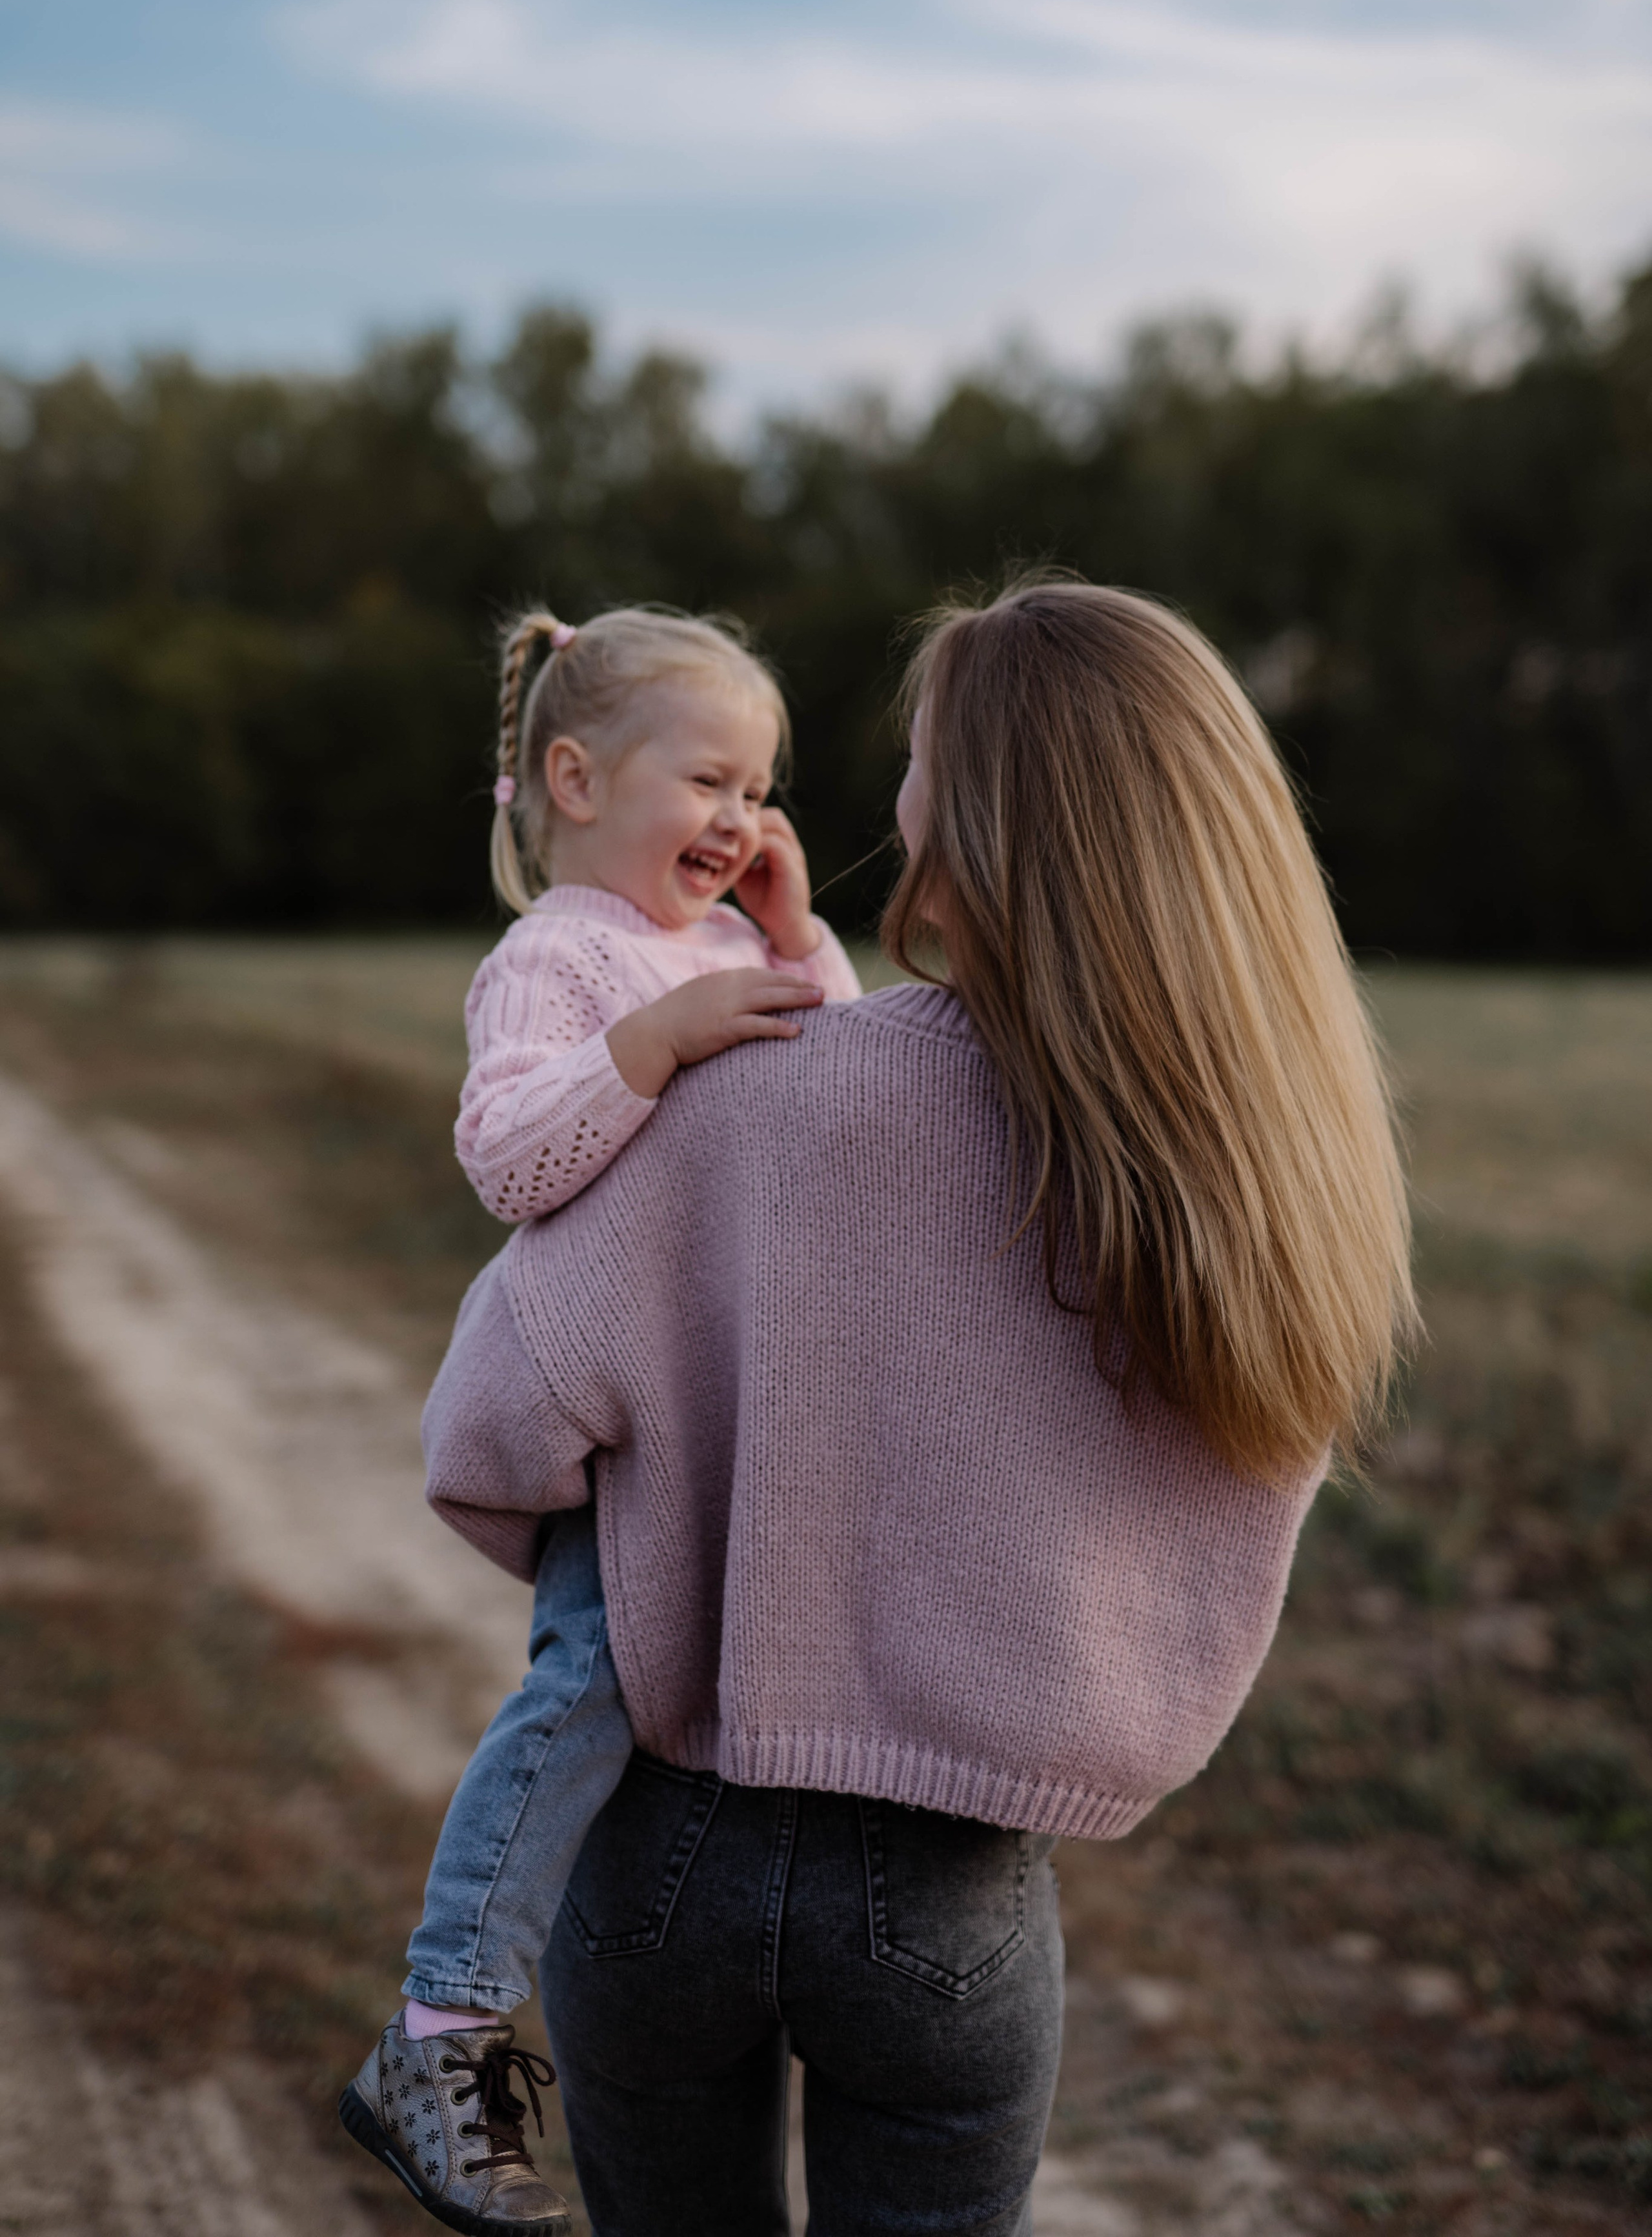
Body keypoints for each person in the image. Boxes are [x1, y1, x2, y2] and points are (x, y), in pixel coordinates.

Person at [407, 575, 1417, 2236]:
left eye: (915, 760)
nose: (877, 800)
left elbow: (495, 1427)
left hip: (662, 1855)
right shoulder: (1250, 1184)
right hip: (956, 1899)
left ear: (973, 816)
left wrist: (653, 1553)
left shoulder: (752, 1097)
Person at [341, 605, 860, 2235]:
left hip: (734, 1412)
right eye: (708, 778)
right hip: (614, 1415)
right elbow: (509, 1159)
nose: (741, 817)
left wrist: (793, 944)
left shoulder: (723, 950)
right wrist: (646, 1045)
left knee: (691, 1689)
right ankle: (438, 2028)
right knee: (594, 1682)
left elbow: (855, 1098)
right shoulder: (561, 959)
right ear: (573, 777)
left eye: (761, 788)